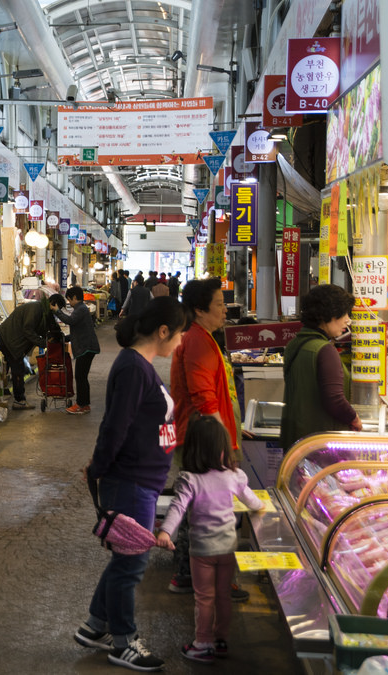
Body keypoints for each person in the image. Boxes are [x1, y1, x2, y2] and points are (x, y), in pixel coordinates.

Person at [75, 296, 187, 672]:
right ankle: (123, 642)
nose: (181, 342)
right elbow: (115, 425)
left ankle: (95, 625)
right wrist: (99, 467)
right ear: (163, 331)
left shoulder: (139, 365)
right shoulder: (134, 369)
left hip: (141, 479)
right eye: (180, 334)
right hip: (130, 481)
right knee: (131, 565)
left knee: (125, 559)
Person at [155, 415, 265, 664]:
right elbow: (253, 502)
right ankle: (221, 640)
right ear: (222, 446)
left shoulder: (189, 479)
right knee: (223, 596)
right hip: (227, 548)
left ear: (193, 448)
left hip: (202, 552)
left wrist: (165, 532)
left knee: (204, 597)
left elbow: (177, 508)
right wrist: (263, 508)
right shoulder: (233, 476)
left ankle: (202, 644)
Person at [168, 277, 247, 598]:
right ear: (199, 311)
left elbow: (217, 394)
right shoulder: (199, 341)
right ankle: (211, 582)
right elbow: (204, 398)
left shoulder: (205, 337)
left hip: (202, 435)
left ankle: (188, 574)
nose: (225, 310)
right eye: (218, 305)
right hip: (204, 441)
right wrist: (221, 446)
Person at [280, 285, 362, 450]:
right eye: (344, 313)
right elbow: (335, 400)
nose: (348, 320)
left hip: (297, 443)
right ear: (329, 314)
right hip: (321, 446)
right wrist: (355, 418)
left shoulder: (295, 345)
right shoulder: (324, 350)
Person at [0, 293, 65, 410]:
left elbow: (47, 327)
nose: (56, 312)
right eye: (57, 308)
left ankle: (0, 398)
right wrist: (44, 343)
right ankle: (19, 401)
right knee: (17, 369)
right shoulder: (36, 309)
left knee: (11, 369)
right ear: (53, 304)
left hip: (12, 339)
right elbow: (28, 329)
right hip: (9, 339)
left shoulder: (44, 311)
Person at [53, 286, 100, 414]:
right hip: (86, 347)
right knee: (82, 377)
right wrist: (65, 337)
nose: (69, 303)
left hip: (86, 348)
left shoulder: (81, 308)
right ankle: (84, 405)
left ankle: (81, 404)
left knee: (80, 376)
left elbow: (70, 321)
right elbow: (78, 329)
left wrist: (57, 311)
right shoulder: (81, 308)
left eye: (69, 300)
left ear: (74, 298)